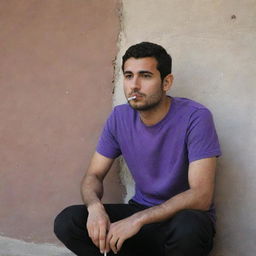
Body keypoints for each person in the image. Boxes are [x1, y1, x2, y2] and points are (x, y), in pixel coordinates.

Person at [54, 42, 221, 256]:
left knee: (189, 227)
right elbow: (93, 175)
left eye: (146, 76)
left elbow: (201, 195)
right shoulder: (119, 118)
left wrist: (138, 219)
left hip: (180, 220)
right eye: (129, 76)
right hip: (139, 214)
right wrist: (94, 207)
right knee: (68, 221)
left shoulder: (195, 117)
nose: (134, 85)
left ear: (166, 82)